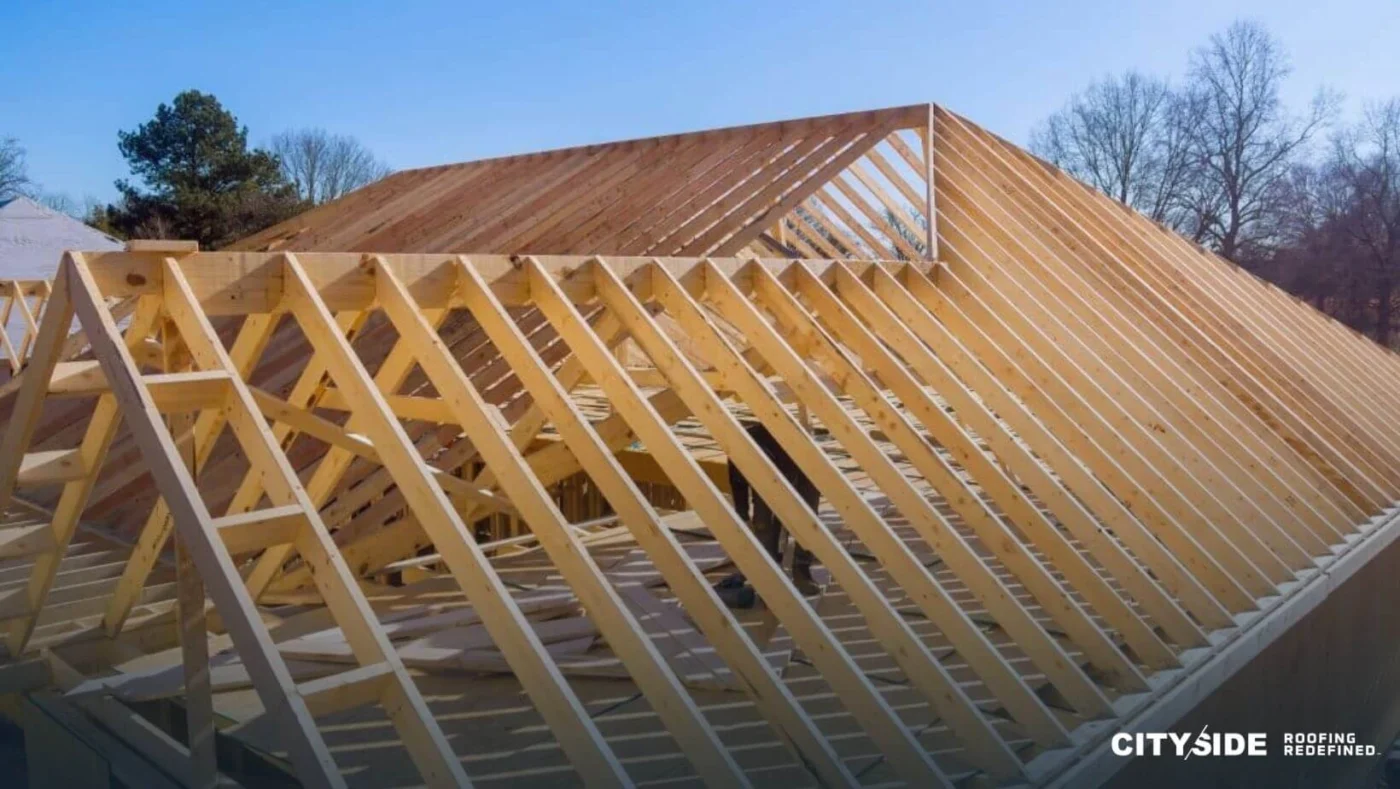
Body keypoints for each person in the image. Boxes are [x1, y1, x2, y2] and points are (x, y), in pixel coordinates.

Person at [715, 421, 821, 608]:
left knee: (807, 524)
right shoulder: (740, 450)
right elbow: (738, 484)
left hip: (803, 474)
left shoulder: (791, 444)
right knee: (764, 526)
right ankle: (769, 581)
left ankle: (801, 570)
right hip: (766, 478)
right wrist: (743, 513)